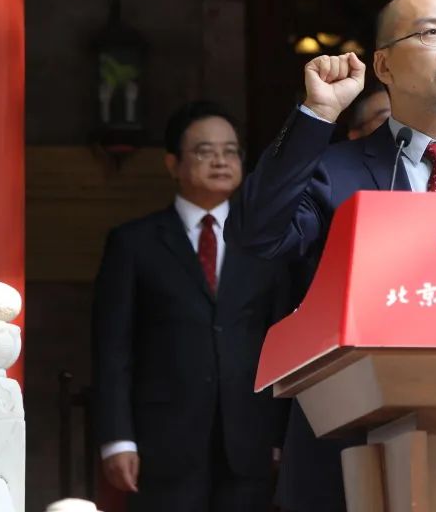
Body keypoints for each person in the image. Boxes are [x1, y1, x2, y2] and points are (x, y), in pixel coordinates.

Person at [227, 0, 436, 510]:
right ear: (382, 64)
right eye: (431, 34)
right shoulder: (333, 171)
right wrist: (317, 114)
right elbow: (256, 235)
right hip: (352, 445)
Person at [92, 101, 292, 512]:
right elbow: (113, 349)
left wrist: (281, 435)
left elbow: (282, 340)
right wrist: (117, 438)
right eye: (205, 151)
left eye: (231, 151)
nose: (221, 161)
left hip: (249, 441)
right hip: (162, 443)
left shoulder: (266, 244)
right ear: (173, 164)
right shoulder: (134, 243)